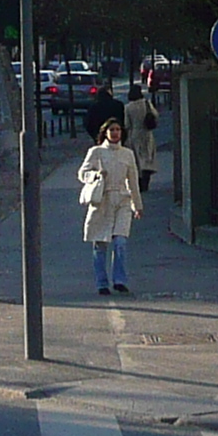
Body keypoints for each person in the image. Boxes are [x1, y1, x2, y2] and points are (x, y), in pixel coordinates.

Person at [78, 118, 142, 294]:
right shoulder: (96, 152)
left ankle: (119, 280)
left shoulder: (127, 154)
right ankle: (102, 283)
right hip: (102, 201)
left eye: (118, 130)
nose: (115, 133)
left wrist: (137, 205)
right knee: (100, 244)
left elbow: (133, 181)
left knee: (120, 241)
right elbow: (82, 173)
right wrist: (96, 175)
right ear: (105, 132)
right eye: (112, 130)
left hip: (122, 200)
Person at [123, 83, 161, 192]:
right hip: (147, 133)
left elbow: (127, 124)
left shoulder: (128, 107)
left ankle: (139, 182)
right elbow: (156, 116)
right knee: (147, 157)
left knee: (137, 159)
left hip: (135, 134)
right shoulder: (147, 104)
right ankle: (146, 181)